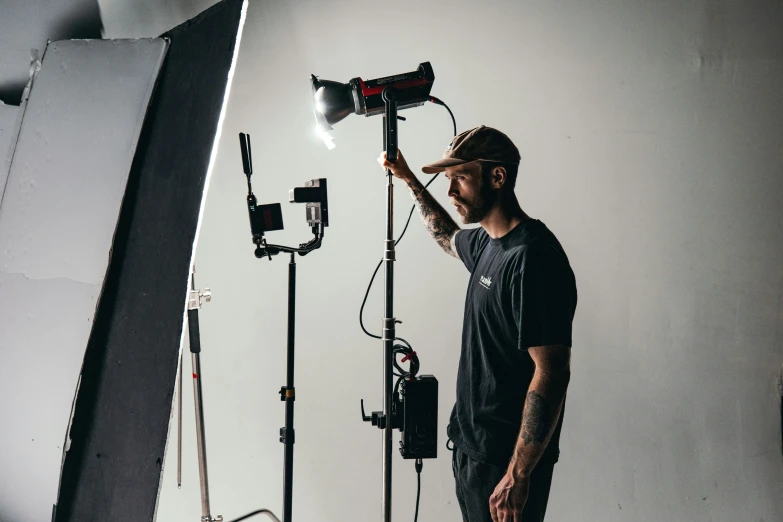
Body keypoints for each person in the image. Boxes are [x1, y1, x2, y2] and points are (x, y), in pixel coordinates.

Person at [378, 126, 577, 522]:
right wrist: (409, 179)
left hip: (504, 463)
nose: (451, 191)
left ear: (498, 177)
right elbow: (448, 237)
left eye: (461, 178)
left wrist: (518, 475)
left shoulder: (533, 258)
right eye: (449, 180)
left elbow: (552, 373)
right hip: (470, 448)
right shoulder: (487, 243)